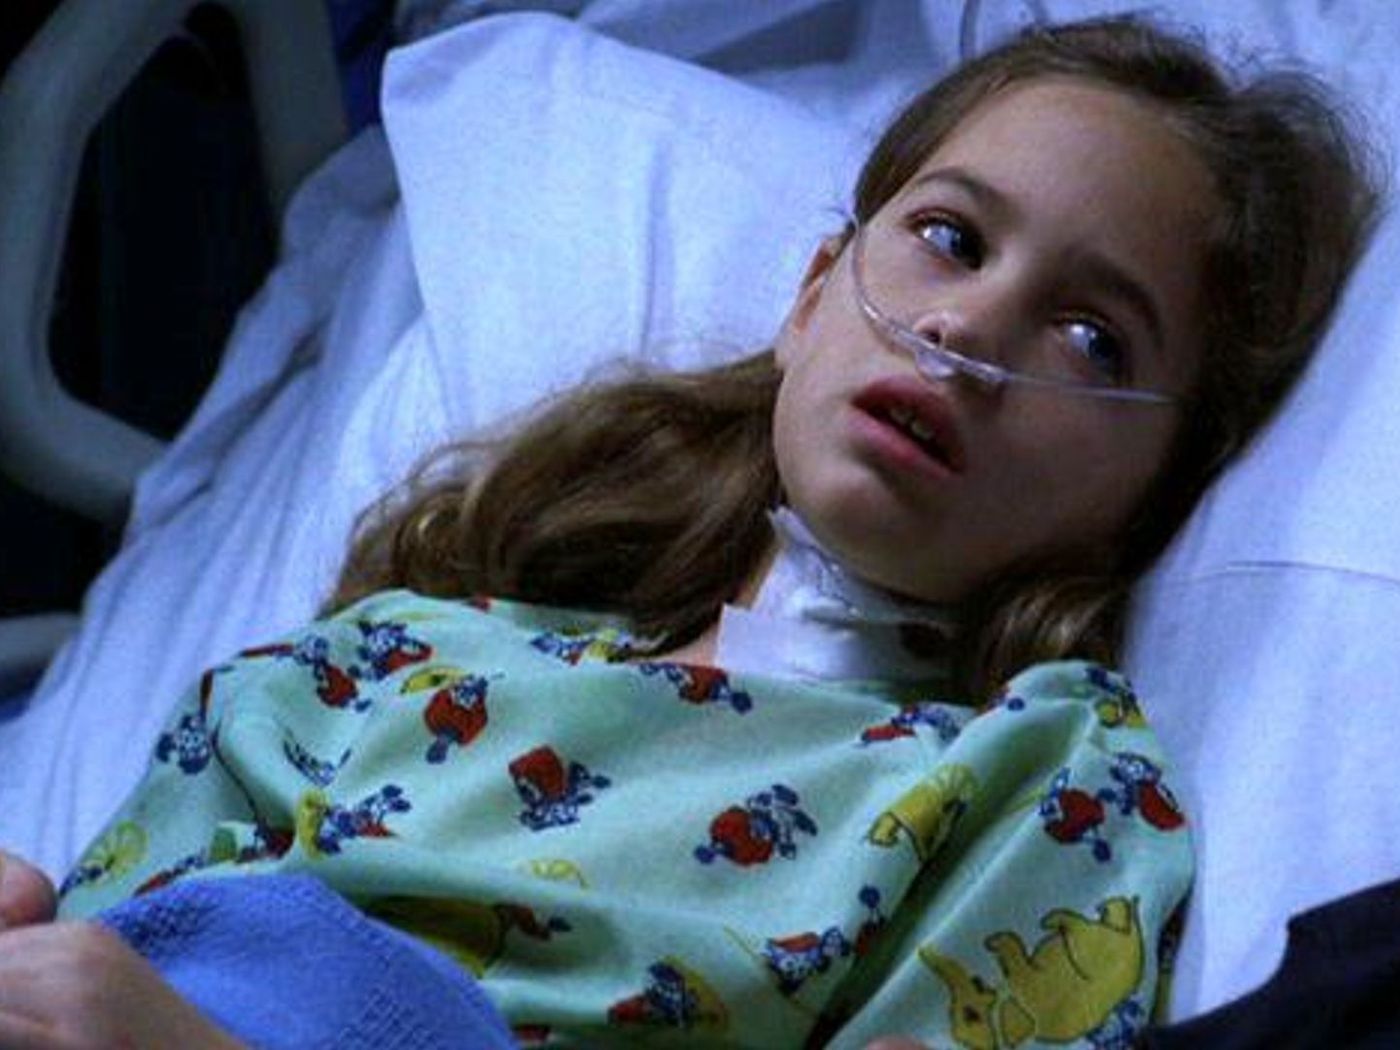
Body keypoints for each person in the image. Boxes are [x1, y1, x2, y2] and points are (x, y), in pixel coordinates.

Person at [0, 13, 1380, 1049]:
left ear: (1162, 483)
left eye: (1091, 336)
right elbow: (107, 949)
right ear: (812, 296)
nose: (968, 329)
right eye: (953, 240)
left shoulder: (1039, 790)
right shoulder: (390, 660)